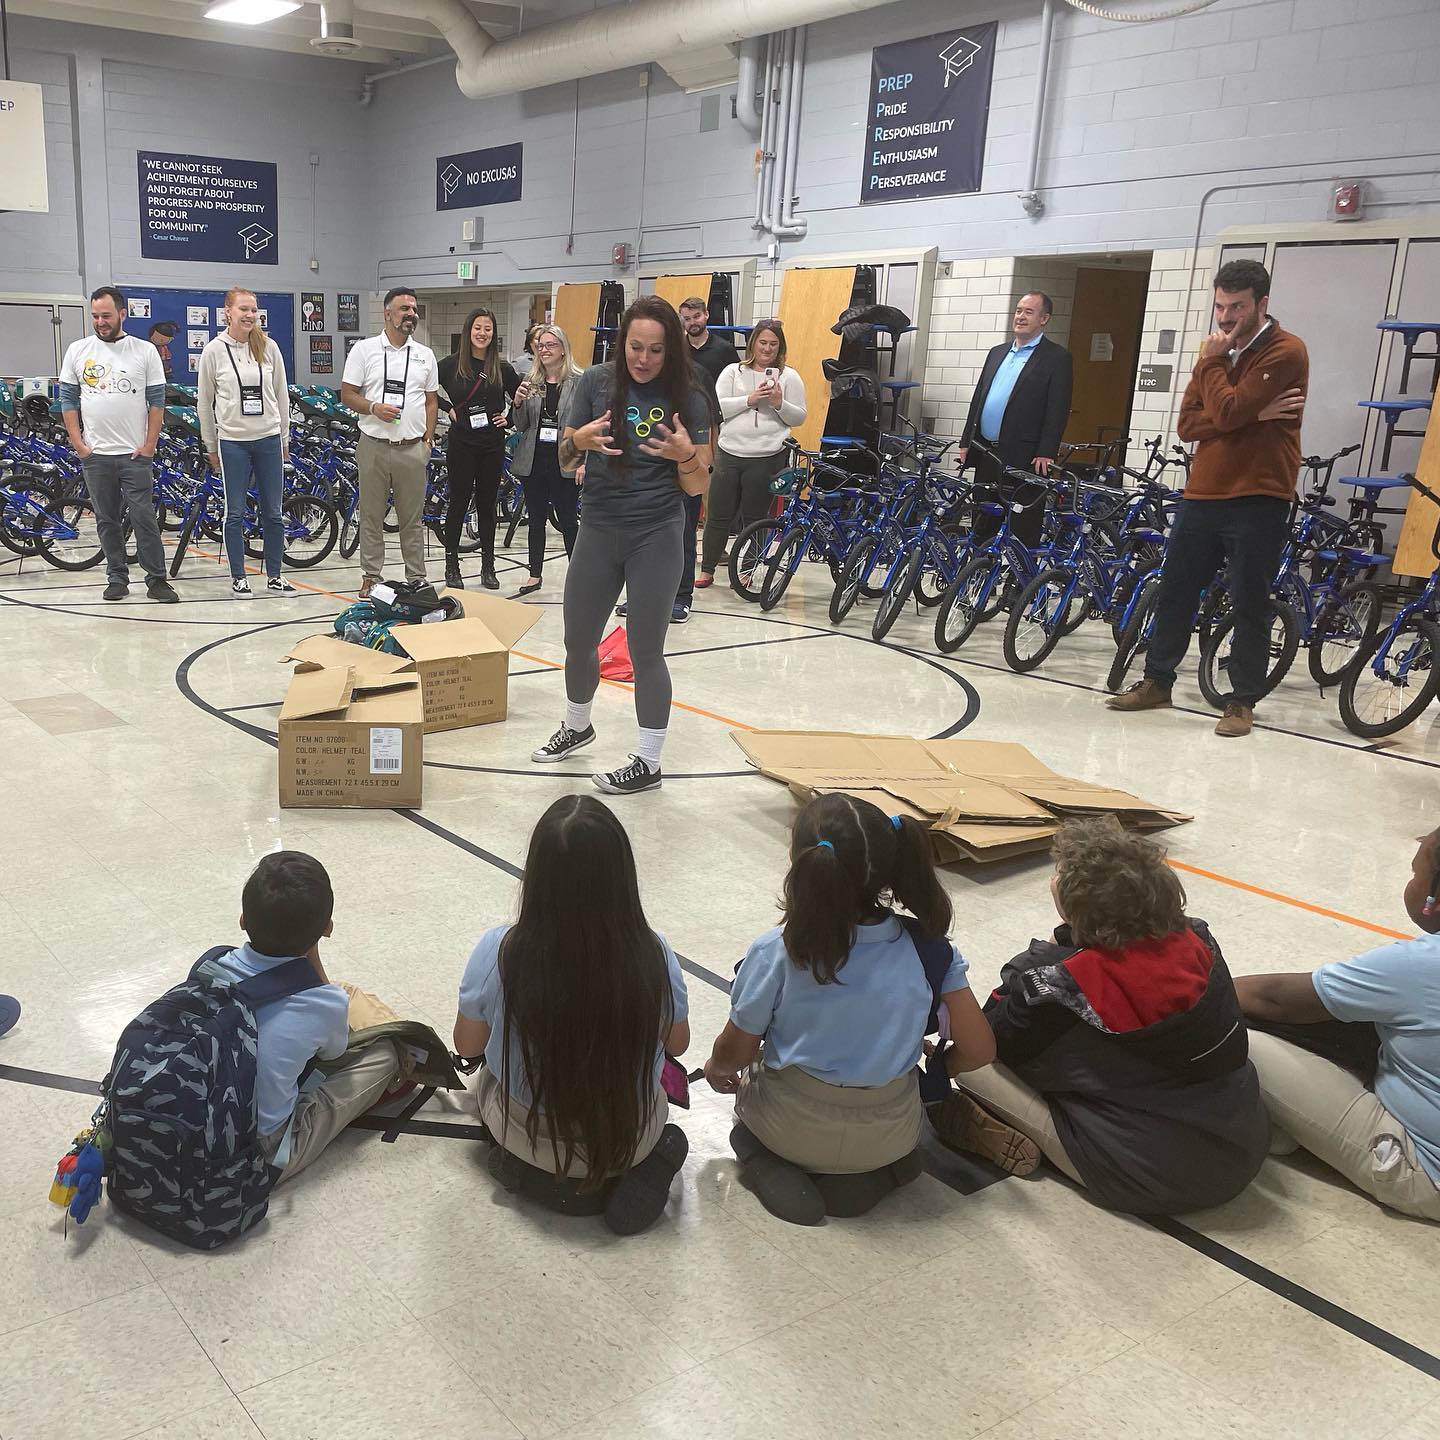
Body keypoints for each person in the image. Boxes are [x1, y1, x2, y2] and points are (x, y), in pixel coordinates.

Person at [939, 816, 1269, 1215]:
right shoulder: (1198, 938)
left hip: (1143, 1176)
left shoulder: (1059, 983)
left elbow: (995, 1038)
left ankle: (992, 1127)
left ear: (1067, 901)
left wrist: (1045, 953)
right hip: (1246, 1142)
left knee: (973, 1058)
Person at [703, 793, 996, 1226]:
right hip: (892, 1130)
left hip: (791, 1126)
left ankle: (767, 1161)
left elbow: (737, 1052)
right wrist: (941, 1068)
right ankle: (874, 1177)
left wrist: (715, 1068)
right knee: (873, 1155)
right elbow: (980, 1050)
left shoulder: (779, 951)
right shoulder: (929, 950)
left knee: (746, 1126)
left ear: (798, 861)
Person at [453, 796, 691, 1235]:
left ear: (537, 877)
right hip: (628, 1134)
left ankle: (529, 1173)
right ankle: (645, 1167)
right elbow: (677, 1044)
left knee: (487, 1083)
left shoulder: (499, 949)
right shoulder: (654, 954)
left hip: (526, 1134)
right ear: (623, 877)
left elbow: (466, 1046)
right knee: (656, 1100)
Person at [1108, 258, 1308, 737]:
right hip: (1203, 494)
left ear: (1262, 304)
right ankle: (1158, 681)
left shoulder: (1286, 351)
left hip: (1260, 494)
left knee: (1248, 601)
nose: (1225, 318)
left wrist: (1230, 394)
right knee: (1176, 590)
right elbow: (1189, 425)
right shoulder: (1216, 352)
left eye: (1236, 307)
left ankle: (1240, 702)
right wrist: (1254, 416)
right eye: (1220, 306)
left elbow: (1227, 408)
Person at [532, 296, 712, 796]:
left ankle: (649, 761)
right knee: (577, 640)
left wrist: (683, 456)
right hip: (597, 527)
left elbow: (699, 486)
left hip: (656, 532)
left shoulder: (689, 394)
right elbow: (566, 459)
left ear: (670, 350)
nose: (644, 358)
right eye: (636, 347)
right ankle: (577, 724)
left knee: (645, 650)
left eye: (656, 349)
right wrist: (580, 442)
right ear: (622, 343)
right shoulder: (594, 383)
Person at [1236, 826, 1440, 1221]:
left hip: (1424, 1171)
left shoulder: (1419, 966)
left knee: (1241, 1038)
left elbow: (1275, 998)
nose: (1412, 883)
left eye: (1416, 875)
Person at [218, 852, 405, 1181]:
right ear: (327, 929)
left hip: (196, 1118)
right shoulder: (322, 1002)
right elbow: (332, 1055)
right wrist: (311, 946)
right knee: (387, 1054)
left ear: (243, 919)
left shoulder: (214, 963)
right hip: (257, 1154)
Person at [58, 285, 179, 604]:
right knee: (106, 518)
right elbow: (68, 400)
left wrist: (150, 445)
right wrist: (79, 444)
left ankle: (156, 580)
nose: (100, 321)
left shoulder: (144, 351)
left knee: (144, 517)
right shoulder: (77, 350)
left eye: (106, 315)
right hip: (96, 455)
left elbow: (157, 401)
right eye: (95, 316)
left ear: (122, 314)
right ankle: (116, 576)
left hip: (135, 454)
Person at [340, 287, 439, 599]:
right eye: (403, 309)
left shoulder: (425, 355)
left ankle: (417, 577)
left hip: (412, 449)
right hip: (374, 447)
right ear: (387, 313)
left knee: (412, 519)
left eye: (413, 308)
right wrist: (373, 408)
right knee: (371, 516)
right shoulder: (364, 351)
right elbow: (347, 394)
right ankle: (371, 576)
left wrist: (427, 438)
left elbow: (431, 400)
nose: (411, 313)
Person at [197, 287, 296, 598]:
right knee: (235, 512)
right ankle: (239, 576)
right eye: (243, 309)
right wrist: (210, 444)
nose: (250, 315)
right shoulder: (214, 350)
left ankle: (276, 575)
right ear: (228, 312)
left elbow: (281, 395)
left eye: (253, 310)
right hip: (233, 442)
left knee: (274, 512)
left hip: (268, 438)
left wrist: (284, 437)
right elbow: (204, 402)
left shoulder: (269, 347)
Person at [958, 291, 1074, 549]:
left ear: (1044, 319)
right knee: (983, 519)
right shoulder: (997, 352)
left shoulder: (1056, 358)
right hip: (987, 451)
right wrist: (967, 441)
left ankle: (1017, 584)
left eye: (1028, 312)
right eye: (1019, 310)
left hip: (1025, 455)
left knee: (1022, 524)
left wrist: (1047, 451)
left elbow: (1057, 409)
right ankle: (979, 578)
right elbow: (979, 400)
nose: (1021, 316)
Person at [699, 320, 806, 588]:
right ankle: (708, 568)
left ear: (780, 347)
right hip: (730, 452)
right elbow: (717, 406)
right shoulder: (732, 372)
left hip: (768, 454)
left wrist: (779, 403)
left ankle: (747, 568)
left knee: (756, 517)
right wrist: (750, 399)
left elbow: (800, 416)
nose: (767, 348)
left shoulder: (789, 376)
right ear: (753, 343)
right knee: (718, 513)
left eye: (773, 344)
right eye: (763, 342)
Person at [437, 307, 519, 590]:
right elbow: (424, 390)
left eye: (488, 329)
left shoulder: (503, 368)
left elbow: (521, 398)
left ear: (494, 333)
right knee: (458, 503)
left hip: (491, 445)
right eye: (477, 328)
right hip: (461, 444)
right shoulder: (449, 365)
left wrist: (508, 418)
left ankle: (488, 565)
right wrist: (447, 408)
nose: (482, 333)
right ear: (468, 331)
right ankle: (451, 565)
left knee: (487, 505)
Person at [508, 323, 582, 598]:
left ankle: (578, 575)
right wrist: (516, 403)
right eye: (540, 345)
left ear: (563, 350)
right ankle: (534, 574)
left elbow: (587, 425)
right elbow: (521, 425)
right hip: (535, 460)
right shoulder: (531, 382)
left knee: (567, 519)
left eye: (550, 345)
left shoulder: (579, 381)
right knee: (536, 518)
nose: (544, 349)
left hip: (565, 460)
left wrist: (583, 461)